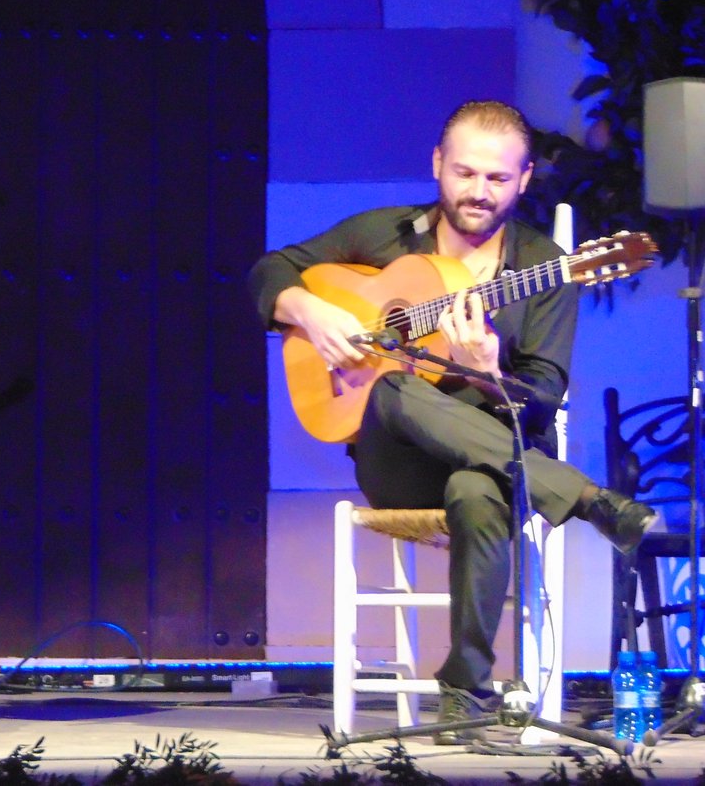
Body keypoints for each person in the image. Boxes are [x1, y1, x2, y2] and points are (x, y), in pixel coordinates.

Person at [248, 100, 655, 744]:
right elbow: (270, 269)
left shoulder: (545, 268)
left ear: (523, 181)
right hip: (398, 459)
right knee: (395, 389)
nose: (478, 192)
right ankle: (581, 496)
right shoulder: (388, 234)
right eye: (465, 173)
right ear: (437, 164)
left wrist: (486, 373)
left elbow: (545, 398)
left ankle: (465, 691)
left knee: (477, 489)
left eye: (497, 179)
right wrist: (307, 311)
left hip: (497, 462)